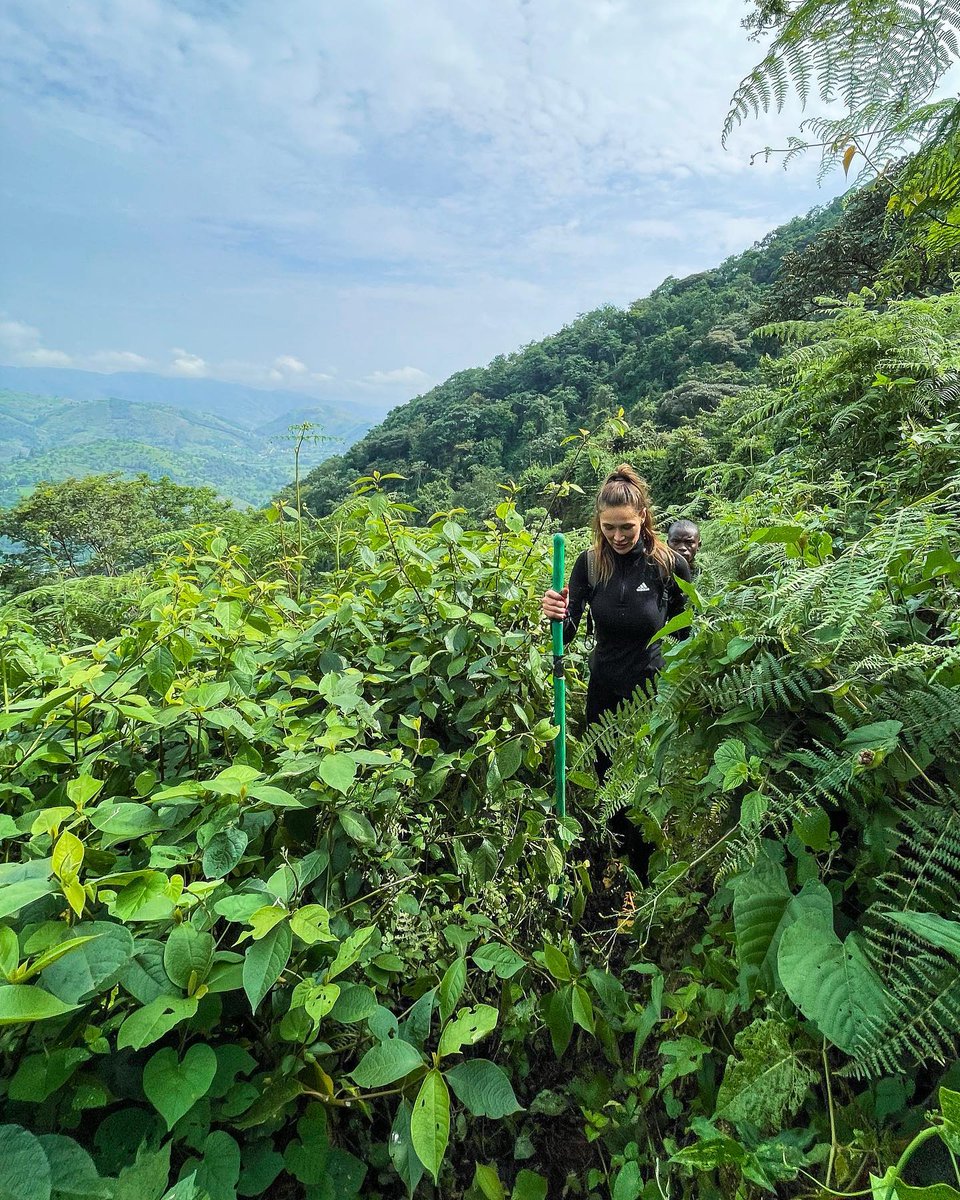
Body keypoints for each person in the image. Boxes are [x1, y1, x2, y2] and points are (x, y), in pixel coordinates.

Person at [541, 464, 691, 868]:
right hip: (604, 689)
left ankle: (648, 865)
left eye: (626, 526)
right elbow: (567, 632)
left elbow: (685, 632)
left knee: (647, 779)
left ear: (643, 516)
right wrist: (554, 614)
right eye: (609, 528)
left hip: (653, 692)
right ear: (598, 523)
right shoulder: (589, 564)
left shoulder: (669, 565)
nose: (619, 537)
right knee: (609, 780)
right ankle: (619, 858)